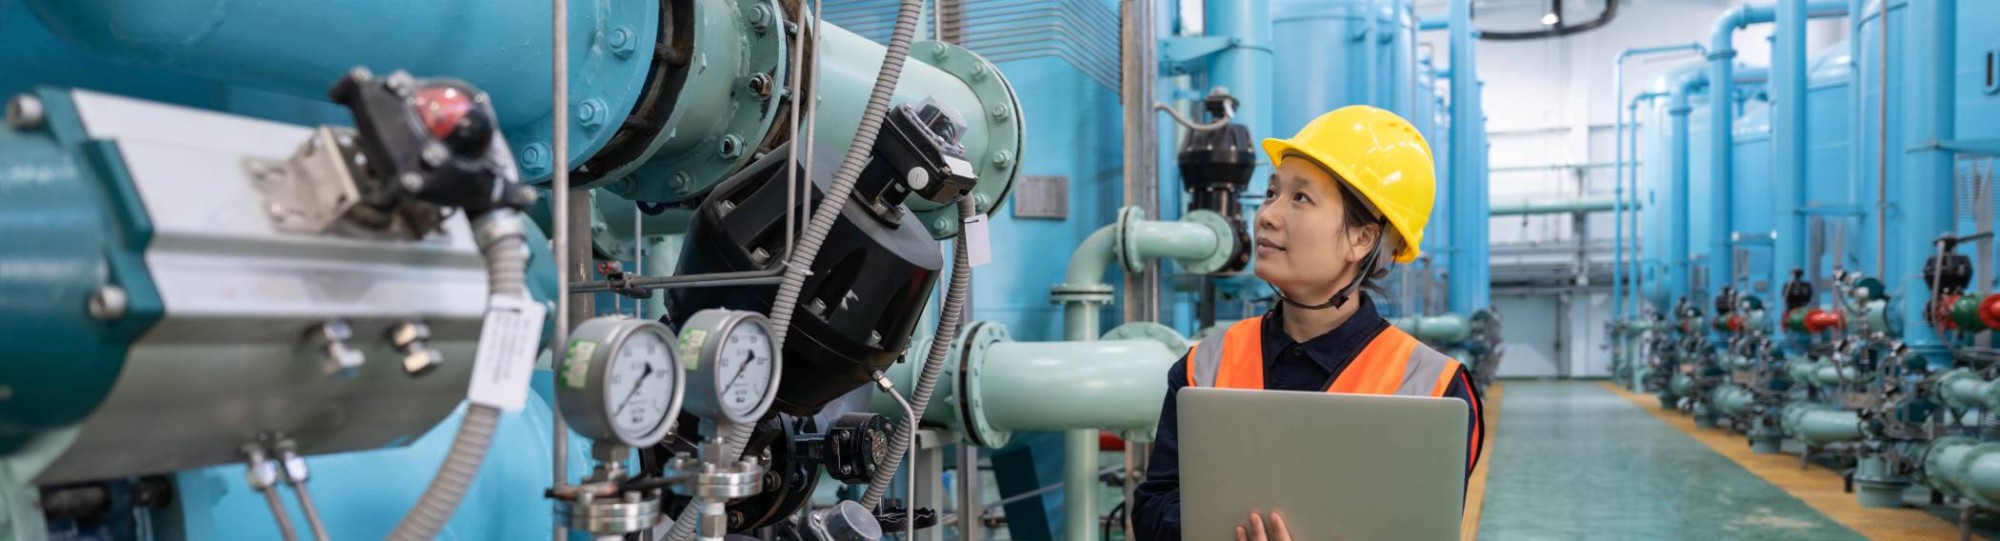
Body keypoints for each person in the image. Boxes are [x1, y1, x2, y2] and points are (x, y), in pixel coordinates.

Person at [1131, 105, 1485, 541]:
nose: (1267, 215)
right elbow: (1153, 508)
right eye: (1271, 193)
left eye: (1300, 198)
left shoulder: (1434, 388)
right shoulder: (1202, 366)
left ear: (1362, 239)